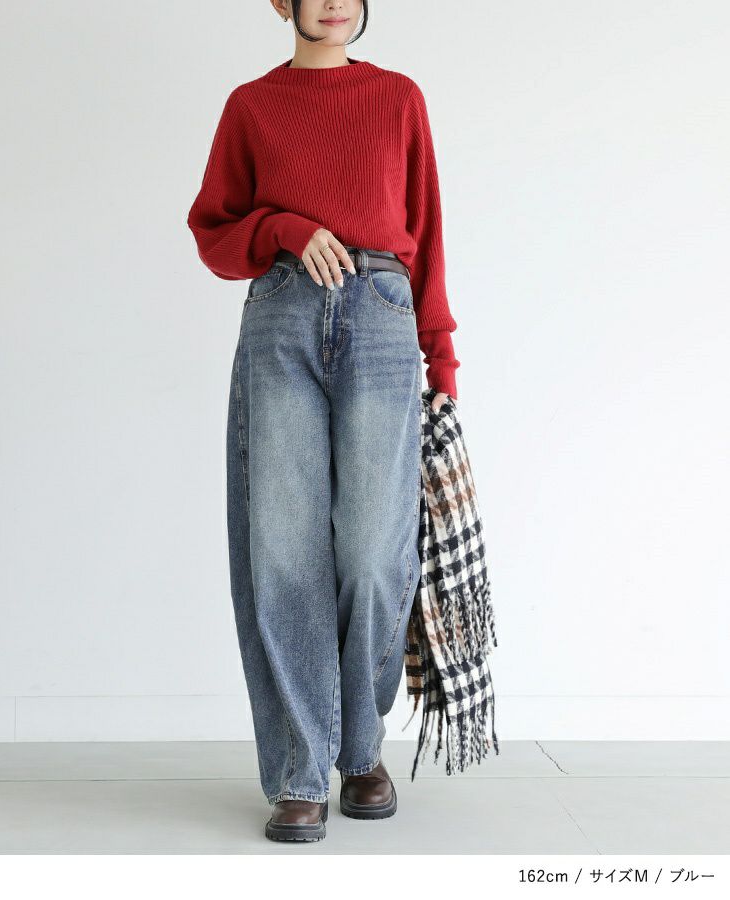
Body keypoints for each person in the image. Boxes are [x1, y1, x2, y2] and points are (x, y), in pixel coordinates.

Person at [186, 0, 460, 842]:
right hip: (282, 316)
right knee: (284, 550)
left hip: (381, 315)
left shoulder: (399, 98)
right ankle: (302, 770)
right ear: (282, 3)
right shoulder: (252, 106)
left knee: (376, 552)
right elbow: (213, 232)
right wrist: (284, 226)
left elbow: (427, 230)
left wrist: (442, 359)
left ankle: (361, 747)